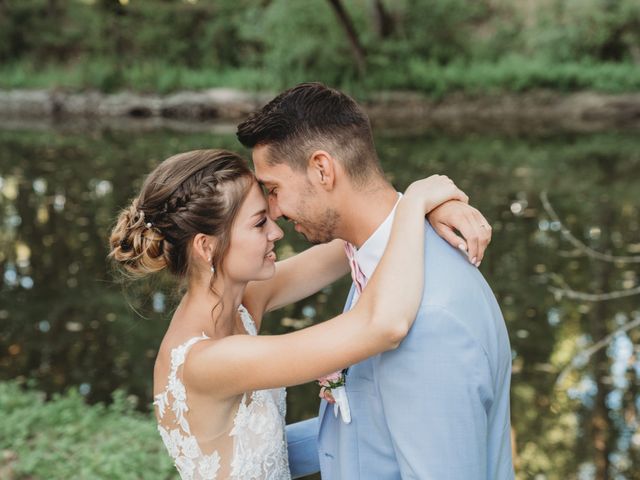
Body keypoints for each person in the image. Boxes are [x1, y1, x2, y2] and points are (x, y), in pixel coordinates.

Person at [108, 148, 473, 479]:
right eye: (258, 224)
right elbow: (384, 325)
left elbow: (355, 235)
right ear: (207, 246)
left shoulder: (242, 301)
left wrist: (429, 208)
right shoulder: (206, 361)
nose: (276, 232)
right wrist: (416, 202)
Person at [236, 83, 515, 479]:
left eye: (274, 189)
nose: (275, 212)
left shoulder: (431, 317)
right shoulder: (382, 264)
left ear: (322, 169)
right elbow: (373, 429)